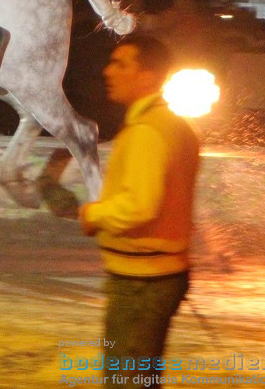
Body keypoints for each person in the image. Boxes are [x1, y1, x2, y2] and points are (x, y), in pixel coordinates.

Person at [80, 35, 200, 387]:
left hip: (141, 283)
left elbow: (139, 205)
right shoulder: (177, 127)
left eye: (121, 64)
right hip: (161, 275)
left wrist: (95, 214)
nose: (108, 71)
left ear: (147, 76)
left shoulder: (147, 131)